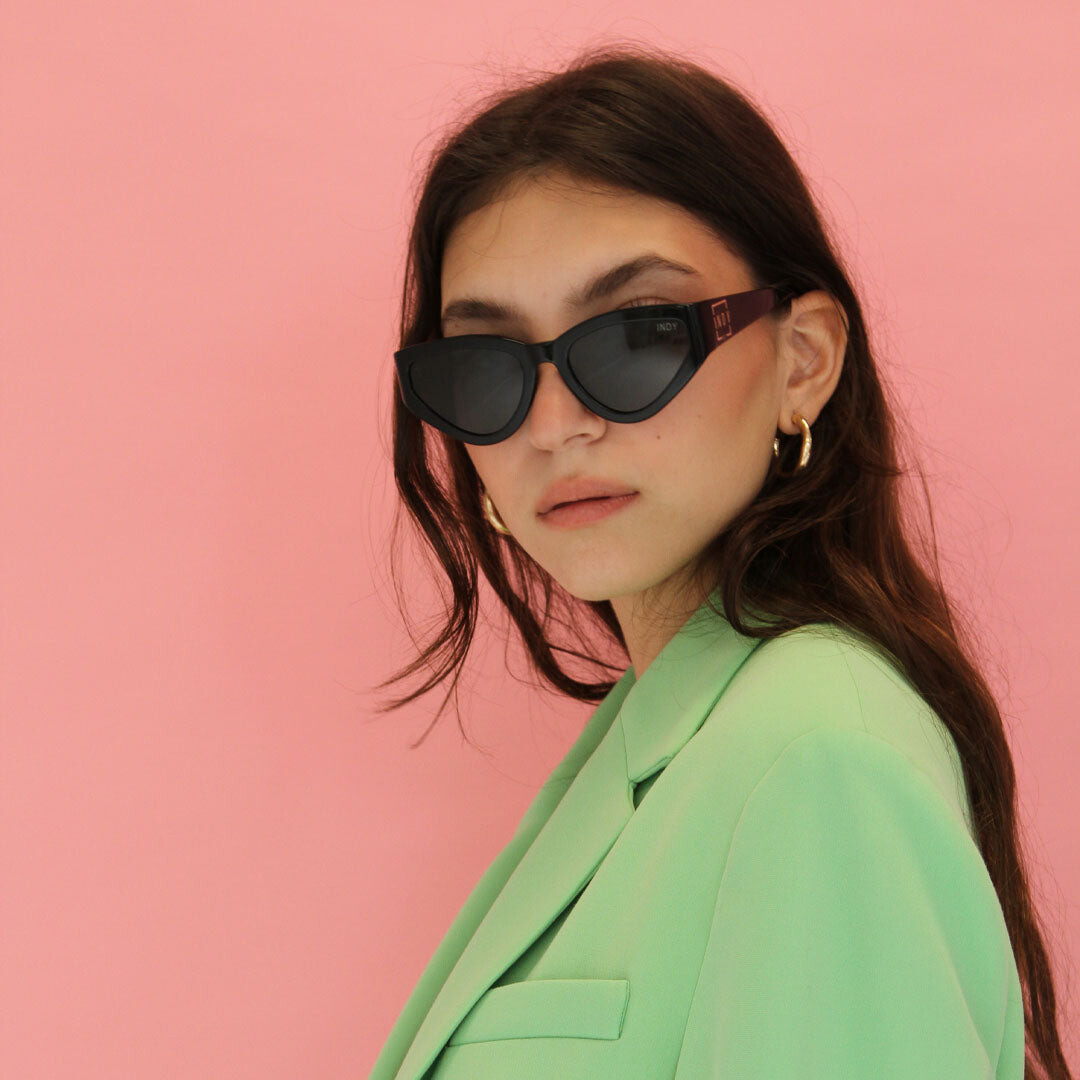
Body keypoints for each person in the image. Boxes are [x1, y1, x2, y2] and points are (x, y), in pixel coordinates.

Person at [367, 43, 1074, 1080]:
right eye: (487, 362)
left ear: (803, 360)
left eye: (637, 336)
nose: (554, 426)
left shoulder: (819, 759)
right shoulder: (675, 737)